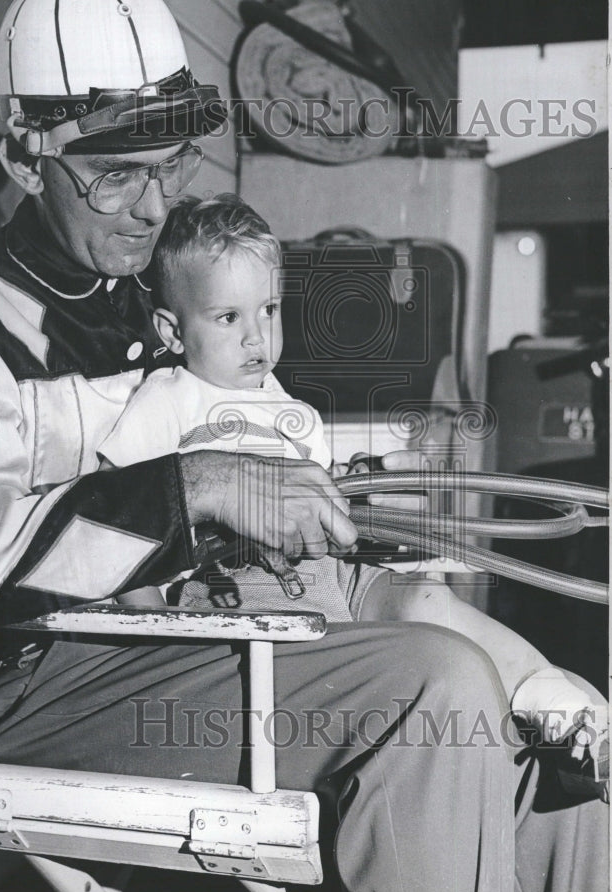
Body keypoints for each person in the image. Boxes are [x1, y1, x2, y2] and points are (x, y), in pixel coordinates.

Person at [0, 0, 608, 892]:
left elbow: (326, 579)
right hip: (73, 679)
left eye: (172, 164)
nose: (152, 207)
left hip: (240, 635)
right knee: (433, 691)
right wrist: (200, 483)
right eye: (115, 176)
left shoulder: (171, 290)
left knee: (559, 764)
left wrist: (534, 673)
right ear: (26, 158)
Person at [99, 192, 609, 758]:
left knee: (424, 595)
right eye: (228, 317)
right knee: (417, 668)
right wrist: (152, 633)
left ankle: (561, 707)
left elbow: (326, 502)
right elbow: (122, 519)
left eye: (269, 310)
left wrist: (367, 480)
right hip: (233, 599)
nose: (256, 337)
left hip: (329, 585)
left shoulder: (296, 413)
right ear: (172, 332)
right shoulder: (167, 401)